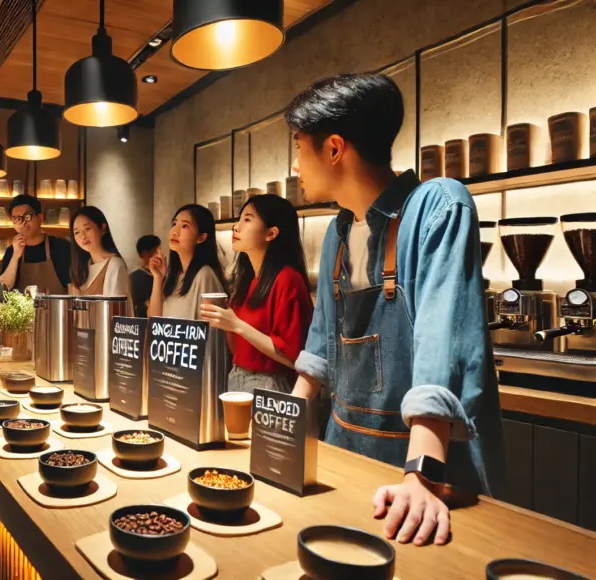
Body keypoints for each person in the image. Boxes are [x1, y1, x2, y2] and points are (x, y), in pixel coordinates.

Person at [286, 74, 505, 547]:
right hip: (346, 462)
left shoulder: (438, 204)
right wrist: (277, 436)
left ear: (334, 148)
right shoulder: (336, 234)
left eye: (298, 146)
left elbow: (441, 346)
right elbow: (319, 350)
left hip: (426, 479)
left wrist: (421, 478)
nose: (295, 164)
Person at [200, 194, 313, 394]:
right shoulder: (248, 281)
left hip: (271, 385)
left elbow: (294, 356)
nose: (236, 226)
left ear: (271, 233)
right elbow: (238, 349)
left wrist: (236, 325)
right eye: (239, 219)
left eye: (247, 219)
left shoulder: (287, 279)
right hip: (237, 376)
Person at [147, 204, 227, 320]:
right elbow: (153, 321)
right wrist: (158, 278)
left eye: (184, 226)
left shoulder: (204, 275)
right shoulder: (176, 275)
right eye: (174, 224)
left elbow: (210, 331)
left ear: (201, 237)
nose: (175, 231)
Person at [0, 194, 72, 294]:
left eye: (27, 216)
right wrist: (15, 256)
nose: (23, 223)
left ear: (40, 218)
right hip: (22, 310)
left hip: (57, 308)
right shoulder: (11, 251)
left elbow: (74, 285)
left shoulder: (61, 247)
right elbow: (4, 288)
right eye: (17, 218)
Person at [68, 206, 130, 298]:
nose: (83, 236)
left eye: (87, 229)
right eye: (77, 232)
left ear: (103, 228)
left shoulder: (114, 264)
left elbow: (115, 309)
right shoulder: (82, 267)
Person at [130, 235, 160, 318]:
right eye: (157, 250)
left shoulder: (163, 275)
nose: (160, 254)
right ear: (145, 254)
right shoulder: (135, 278)